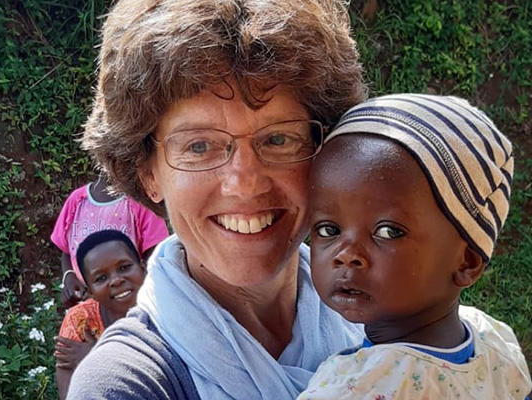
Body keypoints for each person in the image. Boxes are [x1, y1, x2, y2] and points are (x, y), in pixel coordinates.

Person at [68, 0, 368, 398]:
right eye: (199, 146)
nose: (245, 184)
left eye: (278, 139)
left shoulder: (381, 316)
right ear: (149, 174)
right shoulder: (126, 384)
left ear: (323, 153)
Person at [300, 93, 532, 399]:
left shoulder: (352, 388)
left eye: (388, 231)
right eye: (329, 229)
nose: (347, 255)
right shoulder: (495, 345)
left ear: (467, 261)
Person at [51, 174, 168, 307]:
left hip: (131, 302)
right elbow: (67, 250)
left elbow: (154, 255)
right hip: (87, 302)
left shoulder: (140, 202)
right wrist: (69, 276)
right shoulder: (77, 201)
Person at [55, 229, 147, 399]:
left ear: (143, 268)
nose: (116, 280)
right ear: (90, 291)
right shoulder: (80, 321)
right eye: (101, 278)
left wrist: (95, 359)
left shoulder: (164, 309)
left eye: (124, 267)